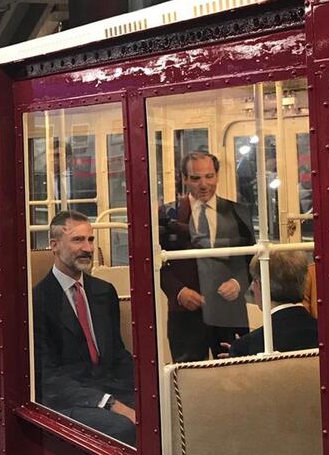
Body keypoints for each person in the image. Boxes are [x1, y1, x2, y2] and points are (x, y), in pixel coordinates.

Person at [33, 210, 136, 445]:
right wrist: (109, 403)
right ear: (55, 246)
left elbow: (118, 354)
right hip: (69, 399)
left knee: (162, 409)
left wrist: (150, 387)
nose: (88, 248)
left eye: (90, 240)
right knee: (123, 428)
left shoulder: (104, 291)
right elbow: (49, 377)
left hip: (110, 387)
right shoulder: (37, 301)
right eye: (78, 240)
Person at [159, 151, 254, 362]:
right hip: (185, 315)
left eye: (209, 176)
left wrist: (238, 283)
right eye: (195, 178)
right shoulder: (165, 215)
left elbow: (251, 258)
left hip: (230, 313)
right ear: (184, 179)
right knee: (188, 382)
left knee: (238, 378)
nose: (204, 184)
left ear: (217, 175)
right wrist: (179, 291)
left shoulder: (239, 212)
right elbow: (155, 264)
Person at [228, 251, 317, 357]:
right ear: (303, 282)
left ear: (261, 286)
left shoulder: (246, 346)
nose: (252, 288)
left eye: (254, 282)